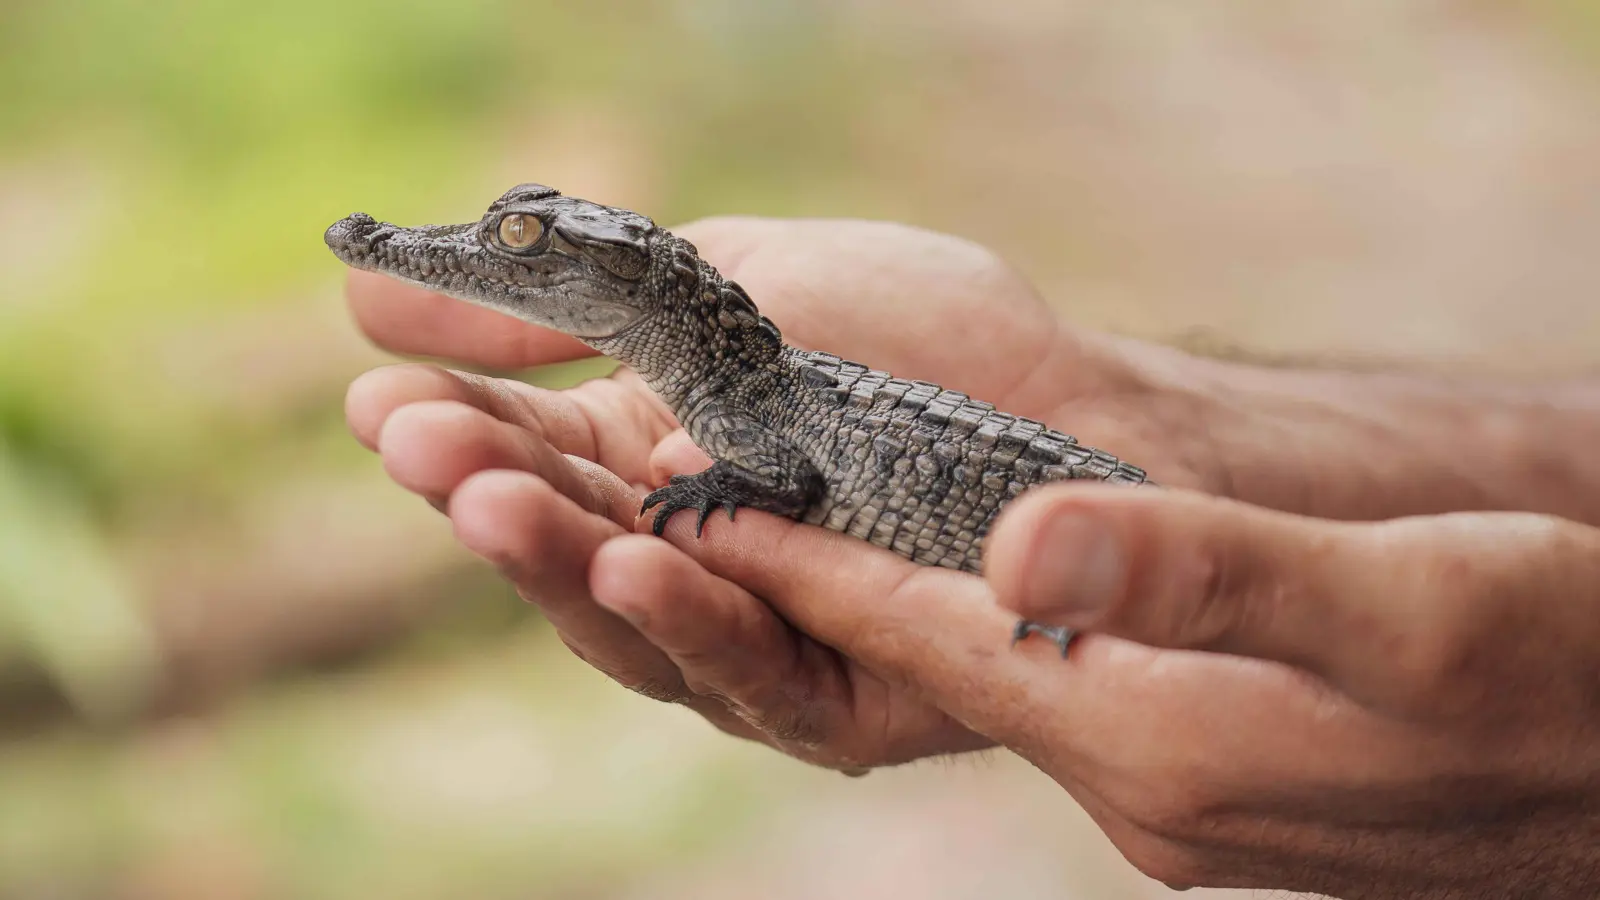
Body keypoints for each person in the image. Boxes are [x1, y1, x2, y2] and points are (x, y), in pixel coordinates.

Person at [341, 215, 1600, 898]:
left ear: (631, 286)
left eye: (522, 250)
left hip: (1089, 535)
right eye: (511, 242)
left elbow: (778, 479)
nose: (454, 255)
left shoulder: (735, 412)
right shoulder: (736, 380)